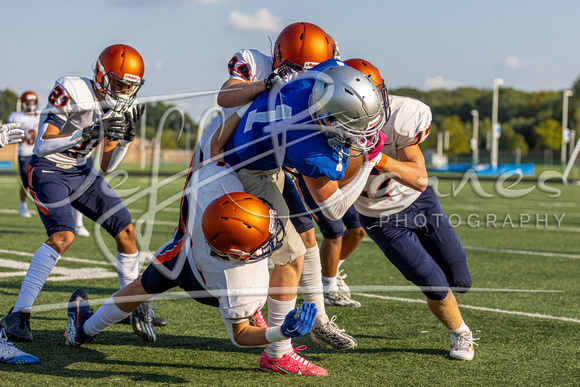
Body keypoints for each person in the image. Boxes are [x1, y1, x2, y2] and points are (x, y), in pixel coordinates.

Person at [65, 160, 327, 376]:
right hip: (208, 288)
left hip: (183, 255)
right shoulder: (243, 279)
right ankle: (256, 317)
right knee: (245, 308)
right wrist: (281, 332)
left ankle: (82, 332)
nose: (273, 236)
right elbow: (240, 336)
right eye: (263, 240)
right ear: (239, 253)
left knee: (139, 289)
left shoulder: (213, 184)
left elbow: (209, 162)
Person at [212, 64, 386, 366]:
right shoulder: (309, 148)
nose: (363, 134)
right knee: (290, 254)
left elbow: (336, 67)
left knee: (306, 237)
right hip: (248, 169)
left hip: (262, 152)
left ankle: (316, 320)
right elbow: (334, 210)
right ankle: (279, 352)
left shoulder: (322, 78)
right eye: (354, 126)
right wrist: (371, 161)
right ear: (327, 118)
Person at [1, 44, 165, 342]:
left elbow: (107, 165)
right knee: (64, 236)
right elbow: (41, 145)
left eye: (131, 86)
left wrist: (125, 141)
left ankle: (129, 305)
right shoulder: (73, 89)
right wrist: (84, 133)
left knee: (126, 231)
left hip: (82, 170)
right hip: (48, 169)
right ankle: (18, 314)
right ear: (101, 75)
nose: (125, 91)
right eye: (119, 83)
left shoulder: (124, 106)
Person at [216, 22, 358, 352]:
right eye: (298, 70)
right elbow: (225, 97)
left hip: (273, 166)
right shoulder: (257, 64)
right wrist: (266, 85)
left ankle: (319, 321)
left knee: (308, 238)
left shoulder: (328, 74)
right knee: (281, 252)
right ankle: (277, 346)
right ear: (279, 61)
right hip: (234, 164)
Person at [344, 58, 477, 360]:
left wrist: (378, 158)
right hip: (378, 217)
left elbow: (419, 179)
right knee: (433, 282)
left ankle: (449, 298)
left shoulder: (403, 115)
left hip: (419, 203)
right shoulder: (324, 127)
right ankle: (461, 334)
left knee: (461, 280)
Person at [7, 92, 40, 218]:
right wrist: (25, 137)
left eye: (32, 101)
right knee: (26, 183)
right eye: (28, 101)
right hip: (25, 153)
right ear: (23, 103)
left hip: (38, 153)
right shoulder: (17, 117)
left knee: (40, 181)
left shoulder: (40, 116)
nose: (30, 104)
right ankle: (22, 204)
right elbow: (11, 137)